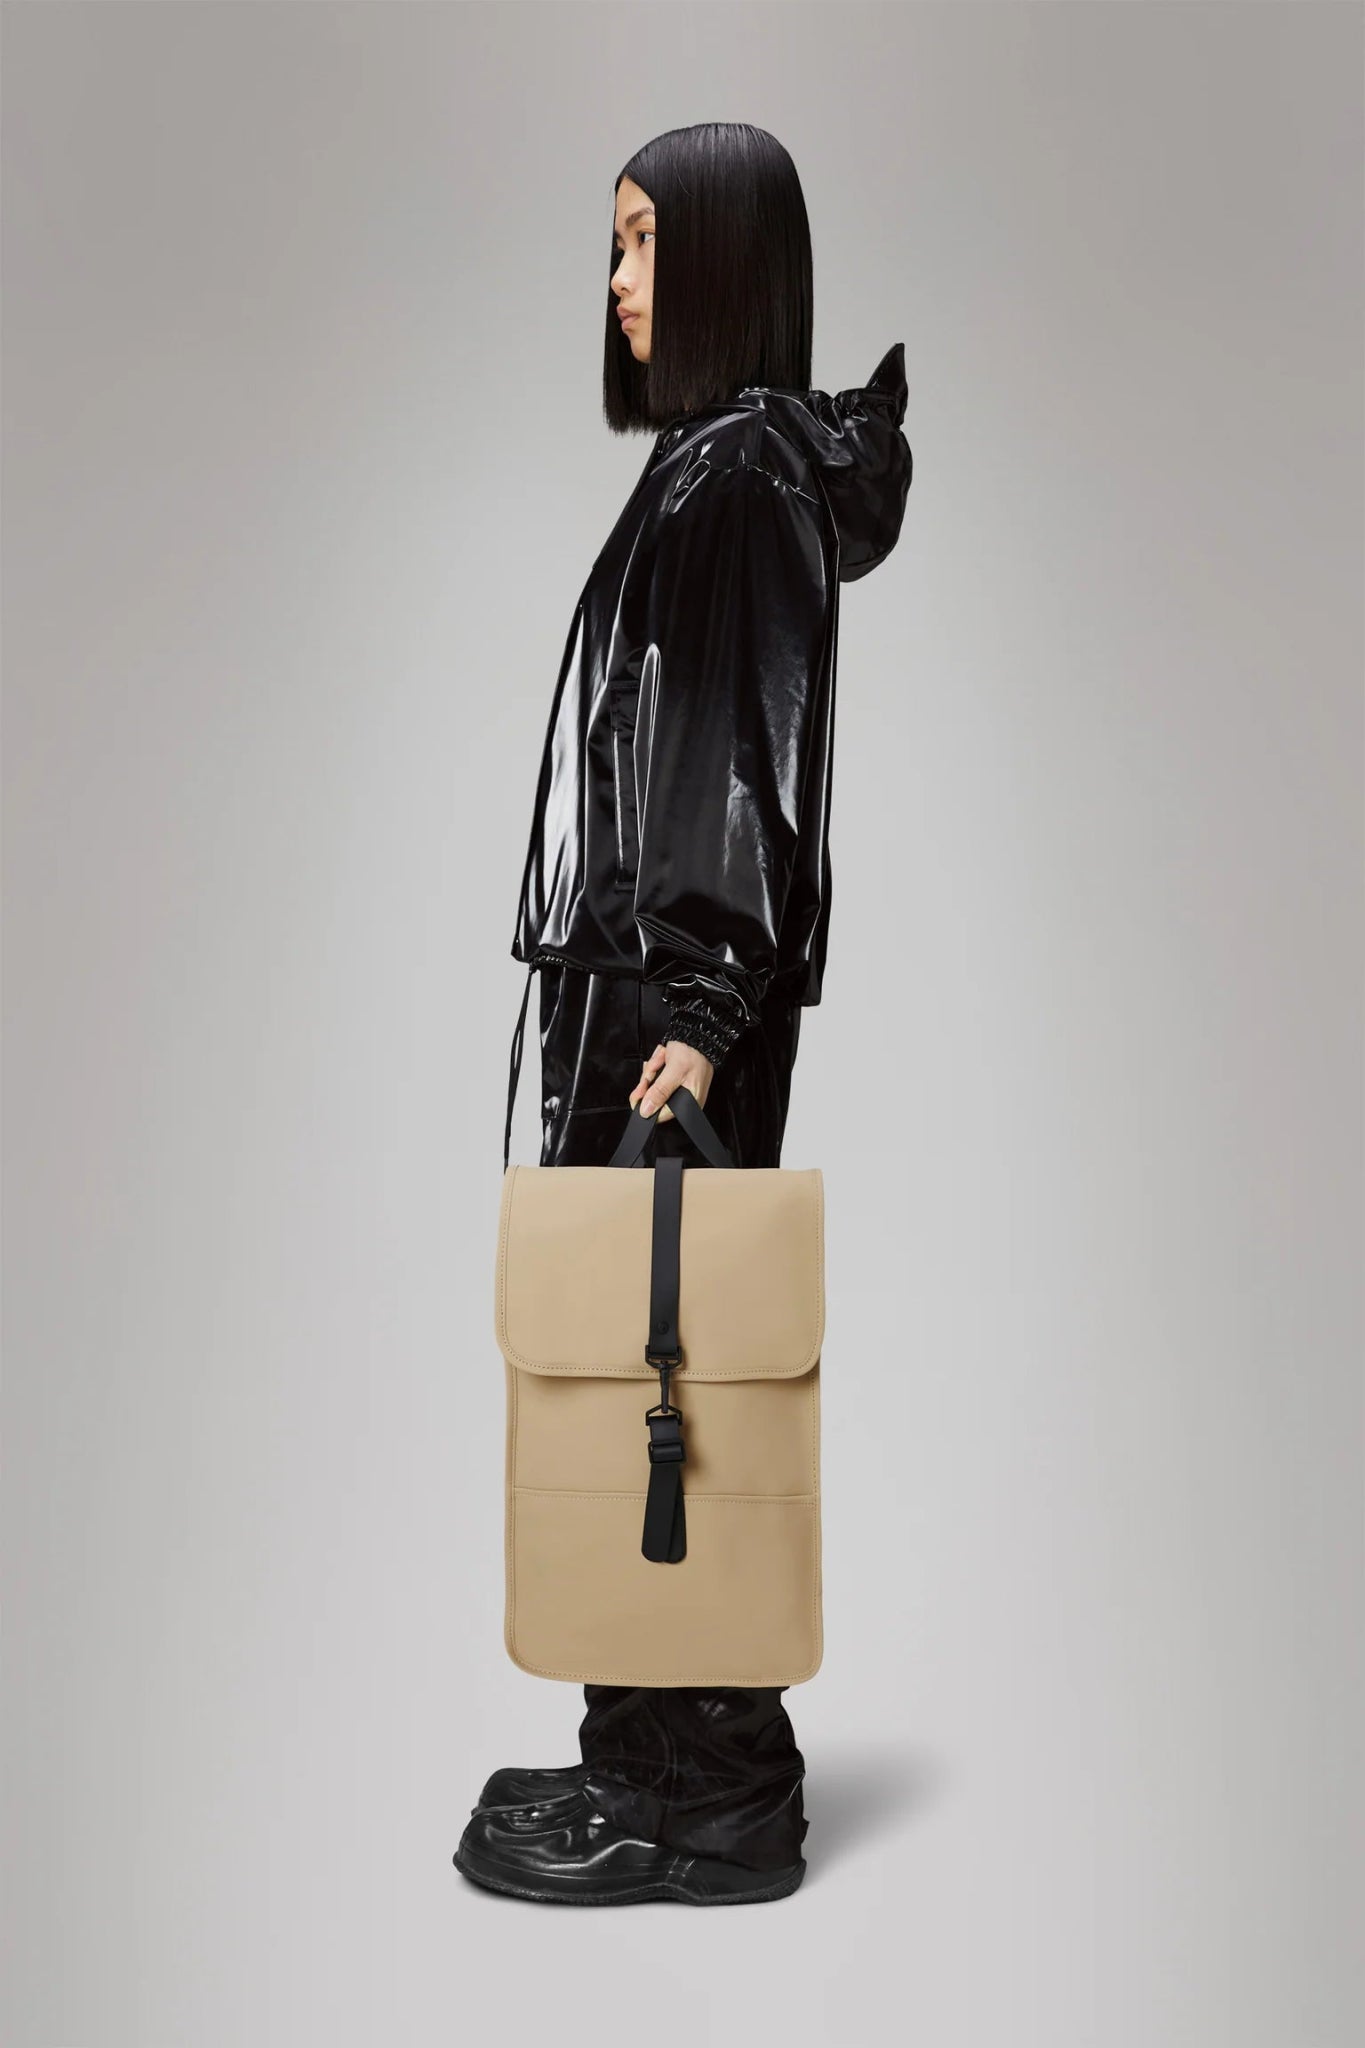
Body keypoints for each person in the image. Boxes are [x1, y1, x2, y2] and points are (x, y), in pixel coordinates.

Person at [454, 121, 912, 1907]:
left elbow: (736, 747)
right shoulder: (717, 467)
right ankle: (644, 1752)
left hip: (669, 996)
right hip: (650, 984)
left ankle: (709, 1793)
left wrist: (705, 1003)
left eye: (644, 242)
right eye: (614, 243)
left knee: (672, 1370)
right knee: (632, 1360)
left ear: (725, 260)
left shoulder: (735, 474)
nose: (618, 282)